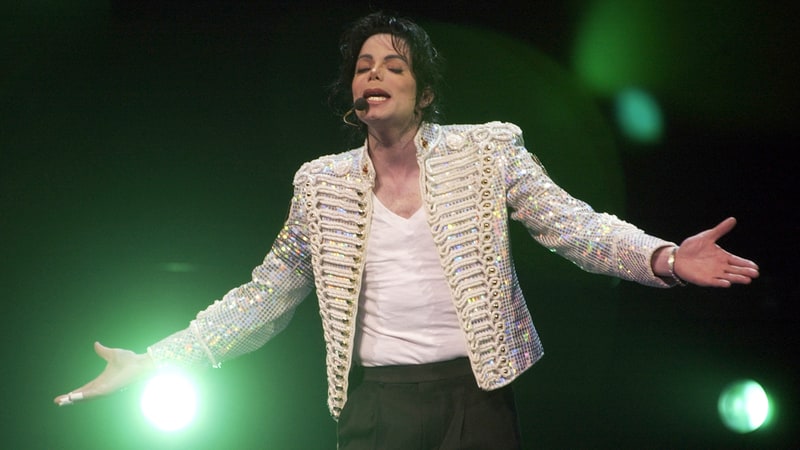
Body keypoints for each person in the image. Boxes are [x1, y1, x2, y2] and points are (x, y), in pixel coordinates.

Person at [54, 12, 759, 449]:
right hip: (376, 406)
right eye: (363, 67)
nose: (375, 74)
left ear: (424, 93)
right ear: (352, 95)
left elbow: (574, 226)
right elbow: (265, 295)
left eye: (394, 65)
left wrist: (665, 257)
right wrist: (157, 360)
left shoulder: (487, 152)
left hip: (476, 397)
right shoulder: (321, 184)